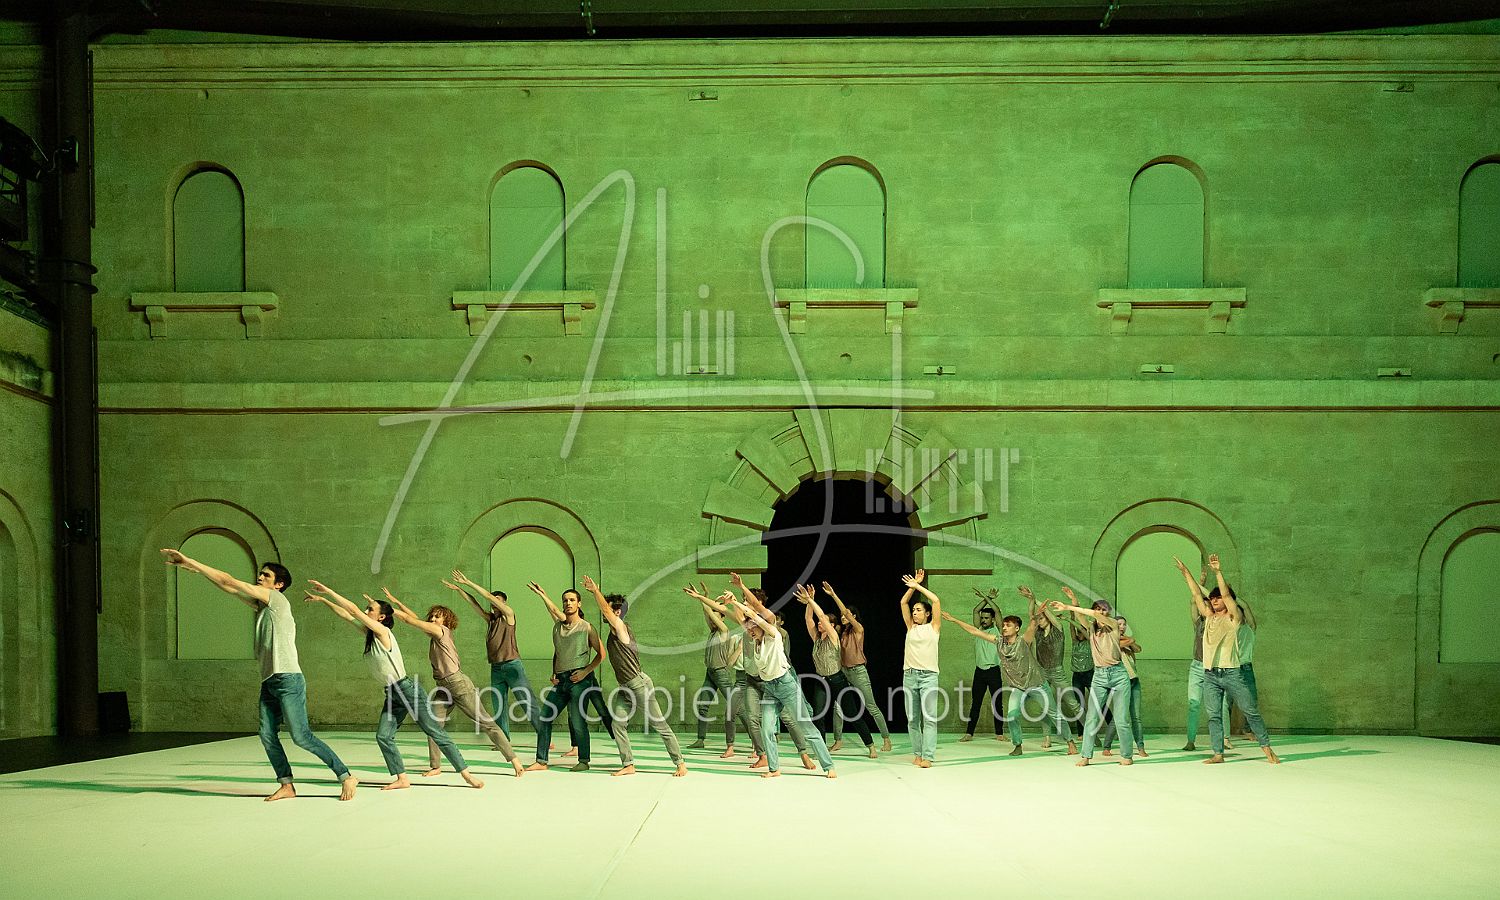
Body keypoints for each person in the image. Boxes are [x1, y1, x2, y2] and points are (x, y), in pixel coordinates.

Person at [159, 550, 357, 802]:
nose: (260, 577)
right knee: (266, 734)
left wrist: (190, 560)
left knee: (301, 737)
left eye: (266, 575)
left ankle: (346, 775)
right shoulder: (264, 606)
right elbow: (228, 588)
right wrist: (198, 571)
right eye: (260, 574)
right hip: (270, 680)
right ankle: (286, 785)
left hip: (288, 679)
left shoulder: (276, 599)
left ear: (278, 584)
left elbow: (229, 579)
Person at [304, 581, 483, 790]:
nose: (365, 611)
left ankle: (466, 774)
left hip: (407, 690)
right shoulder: (371, 634)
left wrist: (329, 590)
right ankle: (402, 778)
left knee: (435, 731)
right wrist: (323, 600)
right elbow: (346, 615)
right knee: (383, 736)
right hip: (392, 693)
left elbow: (352, 609)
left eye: (370, 609)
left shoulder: (383, 632)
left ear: (381, 617)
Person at [377, 586, 524, 778]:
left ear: (446, 620)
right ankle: (435, 766)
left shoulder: (442, 631)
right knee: (433, 726)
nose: (433, 619)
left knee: (486, 722)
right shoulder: (434, 633)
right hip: (443, 688)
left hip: (458, 684)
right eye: (432, 617)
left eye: (437, 617)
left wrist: (387, 609)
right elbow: (415, 618)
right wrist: (396, 602)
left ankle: (515, 761)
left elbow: (410, 620)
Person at [1174, 554, 1279, 765]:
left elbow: (1227, 595)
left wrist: (1218, 572)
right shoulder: (1208, 617)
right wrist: (1186, 573)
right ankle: (1218, 753)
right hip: (1210, 675)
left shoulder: (1233, 619)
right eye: (1212, 598)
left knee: (1250, 711)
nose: (1214, 600)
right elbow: (1196, 593)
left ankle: (1267, 748)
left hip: (1231, 673)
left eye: (1217, 598)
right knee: (1214, 715)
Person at [724, 585, 836, 778]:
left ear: (760, 626)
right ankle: (774, 768)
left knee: (806, 727)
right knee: (767, 729)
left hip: (786, 686)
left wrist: (736, 600)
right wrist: (733, 603)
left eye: (753, 628)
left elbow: (755, 615)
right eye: (749, 629)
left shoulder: (773, 635)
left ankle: (828, 766)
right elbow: (744, 620)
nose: (750, 632)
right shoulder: (756, 641)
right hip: (770, 689)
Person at [584, 575, 688, 777]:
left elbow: (605, 610)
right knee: (617, 724)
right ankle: (628, 764)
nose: (604, 612)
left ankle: (680, 763)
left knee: (659, 724)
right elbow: (605, 610)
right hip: (625, 687)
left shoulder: (621, 628)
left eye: (609, 609)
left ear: (617, 612)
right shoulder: (613, 631)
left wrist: (595, 591)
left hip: (639, 684)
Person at [525, 581, 623, 772]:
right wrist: (554, 671)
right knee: (545, 718)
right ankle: (541, 761)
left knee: (579, 720)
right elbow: (558, 651)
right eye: (565, 600)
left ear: (579, 604)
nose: (568, 603)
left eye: (572, 600)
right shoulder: (558, 627)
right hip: (562, 680)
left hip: (580, 679)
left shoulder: (587, 627)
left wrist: (585, 671)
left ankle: (584, 760)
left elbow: (601, 654)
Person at [445, 569, 543, 746]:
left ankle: (544, 736)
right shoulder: (490, 619)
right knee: (499, 707)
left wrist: (468, 582)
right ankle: (504, 741)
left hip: (512, 666)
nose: (494, 603)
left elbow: (488, 597)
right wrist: (459, 589)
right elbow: (474, 603)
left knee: (527, 702)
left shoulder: (509, 615)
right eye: (493, 601)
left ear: (504, 603)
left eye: (498, 601)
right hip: (496, 668)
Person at [1050, 587, 1133, 767]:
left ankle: (1126, 755)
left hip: (1118, 674)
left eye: (1104, 610)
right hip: (1100, 676)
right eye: (1098, 609)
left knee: (1121, 719)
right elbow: (1081, 616)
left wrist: (1068, 607)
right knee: (1092, 717)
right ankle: (1086, 755)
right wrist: (1073, 600)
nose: (1101, 613)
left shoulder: (1112, 624)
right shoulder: (1091, 628)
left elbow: (1092, 614)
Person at [798, 584, 877, 757]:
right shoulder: (816, 638)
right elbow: (809, 619)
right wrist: (809, 603)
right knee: (818, 715)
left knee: (852, 714)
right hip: (821, 681)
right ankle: (821, 749)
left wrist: (811, 600)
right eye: (819, 622)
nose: (819, 623)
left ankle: (870, 745)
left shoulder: (834, 637)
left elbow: (821, 616)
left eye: (823, 622)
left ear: (831, 625)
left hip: (837, 680)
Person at [823, 581, 895, 752]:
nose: (843, 617)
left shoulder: (858, 629)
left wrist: (833, 595)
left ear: (854, 616)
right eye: (842, 617)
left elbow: (845, 613)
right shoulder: (841, 633)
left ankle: (886, 739)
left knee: (871, 706)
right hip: (843, 672)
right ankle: (838, 740)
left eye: (847, 615)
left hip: (858, 671)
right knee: (838, 708)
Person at [684, 582, 750, 757]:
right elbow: (707, 614)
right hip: (711, 673)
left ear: (721, 617)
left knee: (737, 708)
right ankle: (700, 739)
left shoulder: (724, 631)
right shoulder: (713, 631)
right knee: (703, 705)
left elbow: (710, 614)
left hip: (721, 673)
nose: (711, 616)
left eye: (715, 613)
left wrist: (702, 598)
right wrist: (703, 596)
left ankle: (754, 738)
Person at [1023, 586, 1081, 753]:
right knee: (1046, 706)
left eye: (1041, 618)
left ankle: (1090, 732)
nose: (1039, 620)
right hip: (1042, 672)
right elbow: (1031, 615)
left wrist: (1037, 599)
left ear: (1047, 618)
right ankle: (1047, 737)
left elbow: (1047, 613)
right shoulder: (1038, 633)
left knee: (1073, 704)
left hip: (1057, 672)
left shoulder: (1058, 630)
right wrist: (1031, 599)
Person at [1182, 564, 1230, 752]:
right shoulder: (1199, 622)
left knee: (1220, 705)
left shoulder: (1219, 621)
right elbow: (1193, 601)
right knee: (1193, 704)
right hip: (1197, 666)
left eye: (1208, 603)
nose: (1205, 605)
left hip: (1214, 667)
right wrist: (1198, 582)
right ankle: (1190, 740)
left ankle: (1225, 738)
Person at [900, 570, 942, 767]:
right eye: (914, 610)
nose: (915, 612)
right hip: (910, 676)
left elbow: (936, 601)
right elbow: (903, 603)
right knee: (912, 719)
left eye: (918, 610)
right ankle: (917, 753)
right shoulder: (911, 627)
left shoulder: (934, 627)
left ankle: (928, 756)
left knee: (930, 718)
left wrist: (918, 586)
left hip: (929, 677)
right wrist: (911, 588)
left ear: (927, 614)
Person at [957, 590, 1003, 743]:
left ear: (992, 619)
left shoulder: (998, 630)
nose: (983, 620)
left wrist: (987, 598)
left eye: (986, 618)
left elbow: (997, 611)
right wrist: (987, 597)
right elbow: (975, 610)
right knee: (975, 703)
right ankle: (969, 733)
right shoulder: (978, 629)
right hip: (980, 672)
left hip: (994, 671)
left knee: (997, 703)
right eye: (982, 618)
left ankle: (999, 733)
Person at [1099, 615, 1147, 758]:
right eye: (1119, 624)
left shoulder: (1125, 640)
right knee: (1119, 716)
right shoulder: (1111, 640)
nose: (1122, 627)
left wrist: (1130, 640)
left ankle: (1140, 747)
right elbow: (1126, 643)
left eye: (1124, 624)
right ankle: (1107, 746)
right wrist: (1130, 639)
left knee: (1136, 717)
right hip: (1121, 682)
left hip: (1134, 680)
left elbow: (1138, 649)